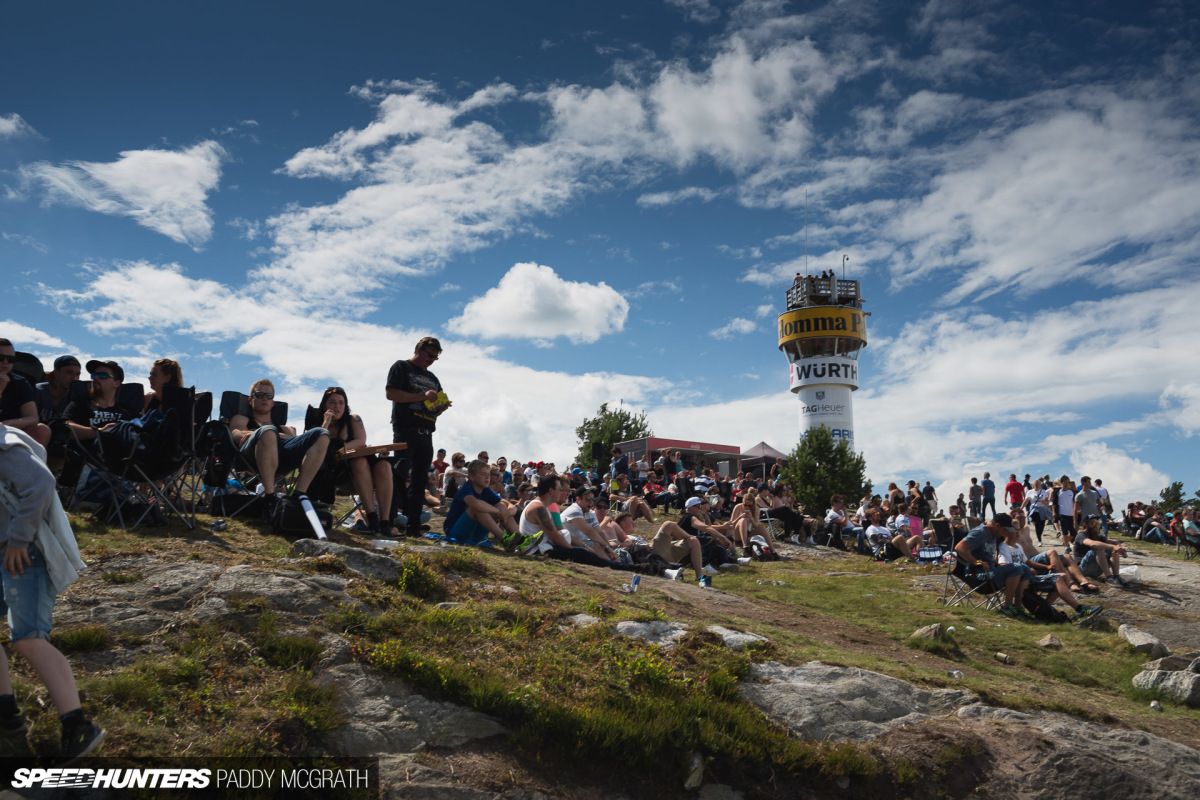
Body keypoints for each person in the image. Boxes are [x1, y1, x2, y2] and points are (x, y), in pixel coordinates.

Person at [0, 423, 105, 762]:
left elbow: (41, 483)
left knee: (29, 638)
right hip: (7, 549)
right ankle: (7, 720)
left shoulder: (3, 442)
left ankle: (77, 726)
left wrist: (18, 539)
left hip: (24, 551)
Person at [386, 337, 450, 539]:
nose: (431, 360)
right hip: (405, 429)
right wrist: (423, 395)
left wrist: (440, 407)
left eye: (435, 357)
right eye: (429, 355)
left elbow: (434, 408)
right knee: (399, 475)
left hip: (426, 432)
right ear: (418, 349)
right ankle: (389, 521)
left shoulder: (433, 377)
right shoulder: (401, 367)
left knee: (419, 482)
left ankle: (413, 526)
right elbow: (391, 394)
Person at [228, 379, 329, 504]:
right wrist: (262, 433)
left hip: (282, 457)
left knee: (322, 434)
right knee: (267, 432)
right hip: (250, 456)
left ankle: (298, 495)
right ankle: (269, 498)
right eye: (259, 395)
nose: (264, 398)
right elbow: (235, 433)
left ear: (273, 402)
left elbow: (293, 439)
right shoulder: (241, 418)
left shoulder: (284, 427)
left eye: (269, 396)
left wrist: (262, 433)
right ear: (250, 400)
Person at [317, 387, 394, 535]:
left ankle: (385, 522)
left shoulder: (353, 419)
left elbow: (360, 440)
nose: (337, 406)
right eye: (332, 402)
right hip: (340, 473)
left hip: (367, 470)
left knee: (384, 465)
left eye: (341, 402)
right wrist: (326, 423)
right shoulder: (318, 421)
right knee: (358, 462)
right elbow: (317, 442)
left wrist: (339, 449)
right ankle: (371, 518)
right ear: (324, 405)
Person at [954, 513, 1032, 617]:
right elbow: (959, 548)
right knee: (1016, 568)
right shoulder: (980, 533)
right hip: (979, 575)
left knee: (1026, 569)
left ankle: (1018, 607)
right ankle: (1007, 607)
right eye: (1005, 530)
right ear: (997, 525)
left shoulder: (994, 535)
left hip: (991, 572)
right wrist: (977, 562)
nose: (1005, 534)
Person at [443, 459, 519, 546]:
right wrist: (498, 512)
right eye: (483, 474)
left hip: (476, 535)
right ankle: (505, 539)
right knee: (476, 508)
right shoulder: (466, 489)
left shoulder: (486, 490)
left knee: (501, 505)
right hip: (455, 532)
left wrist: (507, 512)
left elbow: (511, 506)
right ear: (472, 477)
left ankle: (522, 541)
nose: (487, 477)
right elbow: (474, 503)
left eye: (488, 474)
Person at [0, 338, 51, 447]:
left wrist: (6, 424)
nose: (5, 362)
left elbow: (32, 417)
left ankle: (33, 463)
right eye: (0, 358)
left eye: (10, 359)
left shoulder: (20, 382)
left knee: (41, 430)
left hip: (10, 431)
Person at [1072, 514, 1127, 585]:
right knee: (1099, 548)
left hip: (1097, 570)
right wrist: (1113, 546)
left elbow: (1114, 542)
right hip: (1083, 569)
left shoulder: (1098, 536)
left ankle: (1116, 576)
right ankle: (1109, 577)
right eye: (1093, 523)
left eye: (1097, 523)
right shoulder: (1081, 535)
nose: (1096, 525)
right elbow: (1092, 544)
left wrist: (1119, 547)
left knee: (1112, 550)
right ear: (1086, 524)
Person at [34, 355, 82, 424]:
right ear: (56, 373)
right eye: (69, 372)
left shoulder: (76, 397)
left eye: (77, 374)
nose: (74, 378)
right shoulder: (37, 391)